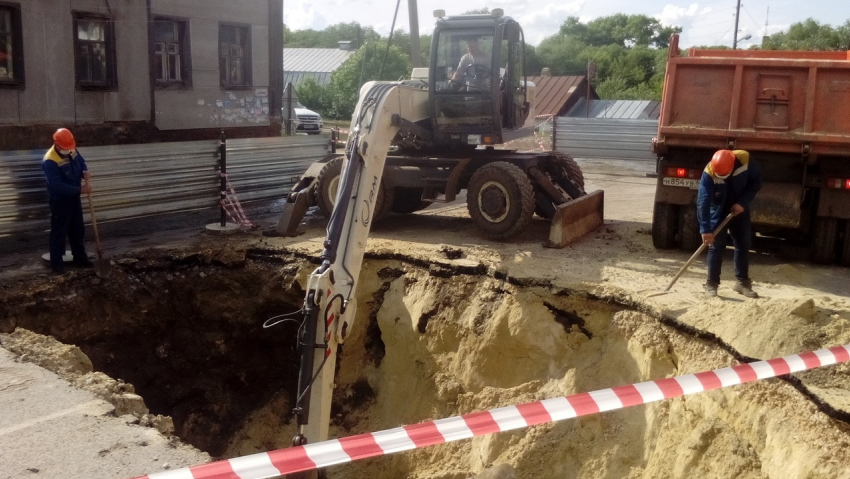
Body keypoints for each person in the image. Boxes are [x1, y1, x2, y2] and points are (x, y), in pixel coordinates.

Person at [697, 149, 762, 299]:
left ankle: (742, 283)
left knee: (743, 244)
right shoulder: (710, 171)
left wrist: (742, 203)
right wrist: (705, 229)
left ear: (732, 166)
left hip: (738, 208)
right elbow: (703, 201)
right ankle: (711, 284)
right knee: (716, 246)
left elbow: (756, 182)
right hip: (718, 208)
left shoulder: (745, 160)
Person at [42, 128, 94, 274]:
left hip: (74, 199)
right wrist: (79, 190)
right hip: (60, 201)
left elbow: (81, 162)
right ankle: (57, 265)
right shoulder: (50, 161)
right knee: (59, 232)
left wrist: (84, 171)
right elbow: (56, 185)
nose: (69, 150)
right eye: (66, 148)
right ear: (57, 145)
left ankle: (80, 258)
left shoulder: (70, 148)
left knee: (77, 229)